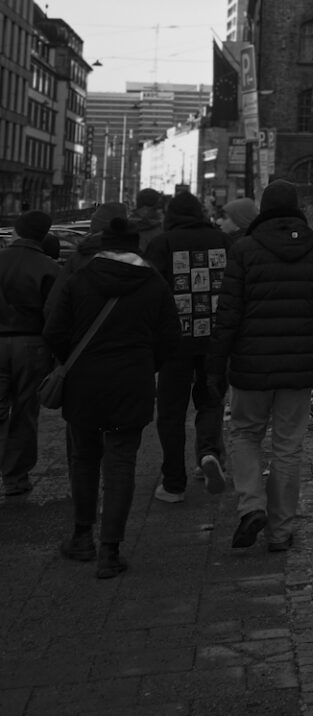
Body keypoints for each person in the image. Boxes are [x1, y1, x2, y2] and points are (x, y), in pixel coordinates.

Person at [208, 179, 313, 553]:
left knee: (245, 433)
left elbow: (228, 315)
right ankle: (280, 532)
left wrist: (215, 366)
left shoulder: (244, 250)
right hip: (299, 366)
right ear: (297, 208)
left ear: (264, 210)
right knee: (287, 447)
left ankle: (252, 505)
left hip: (250, 365)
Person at [42, 216, 179, 578]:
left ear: (103, 244)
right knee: (121, 464)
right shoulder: (154, 283)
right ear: (136, 245)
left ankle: (81, 537)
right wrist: (146, 364)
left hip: (84, 383)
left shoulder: (80, 278)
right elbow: (171, 338)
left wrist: (73, 361)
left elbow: (54, 331)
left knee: (84, 459)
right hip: (131, 383)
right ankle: (110, 551)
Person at [143, 190, 230, 501]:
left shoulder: (162, 244)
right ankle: (208, 454)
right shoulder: (223, 241)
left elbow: (150, 293)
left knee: (171, 412)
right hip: (215, 340)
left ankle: (173, 482)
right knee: (210, 401)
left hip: (174, 342)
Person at [0, 211, 63, 497]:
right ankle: (15, 477)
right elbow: (55, 316)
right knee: (25, 413)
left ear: (17, 231)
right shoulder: (49, 267)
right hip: (33, 344)